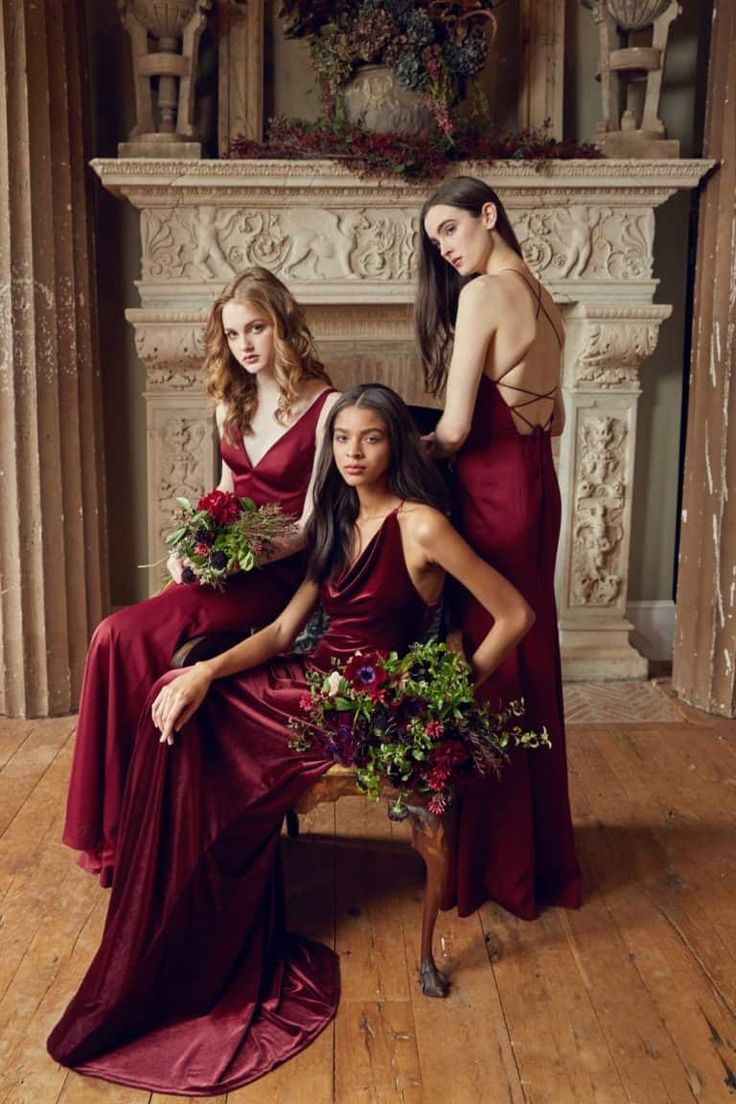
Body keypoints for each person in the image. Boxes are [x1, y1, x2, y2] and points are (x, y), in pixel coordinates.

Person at [48, 384, 535, 1096]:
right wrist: (205, 674)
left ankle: (202, 948)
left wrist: (444, 698)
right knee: (176, 711)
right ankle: (177, 932)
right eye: (341, 440)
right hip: (304, 680)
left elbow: (515, 613)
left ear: (395, 444)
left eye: (369, 439)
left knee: (201, 742)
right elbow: (280, 633)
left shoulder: (422, 524)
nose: (353, 454)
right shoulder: (336, 519)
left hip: (359, 706)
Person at [63, 267, 339, 886]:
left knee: (125, 636)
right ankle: (120, 831)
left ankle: (130, 832)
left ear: (283, 324)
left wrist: (245, 555)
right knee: (115, 635)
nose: (245, 345)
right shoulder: (229, 402)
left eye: (257, 328)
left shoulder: (329, 408)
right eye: (234, 333)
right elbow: (224, 491)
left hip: (276, 578)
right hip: (223, 568)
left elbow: (315, 526)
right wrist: (191, 545)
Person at [416, 175, 582, 921]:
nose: (445, 249)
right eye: (435, 241)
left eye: (450, 229)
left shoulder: (483, 294)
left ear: (489, 215)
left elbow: (452, 431)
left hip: (490, 490)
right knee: (528, 652)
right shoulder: (542, 294)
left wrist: (395, 458)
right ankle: (539, 859)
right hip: (532, 484)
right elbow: (557, 418)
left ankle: (498, 868)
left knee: (494, 661)